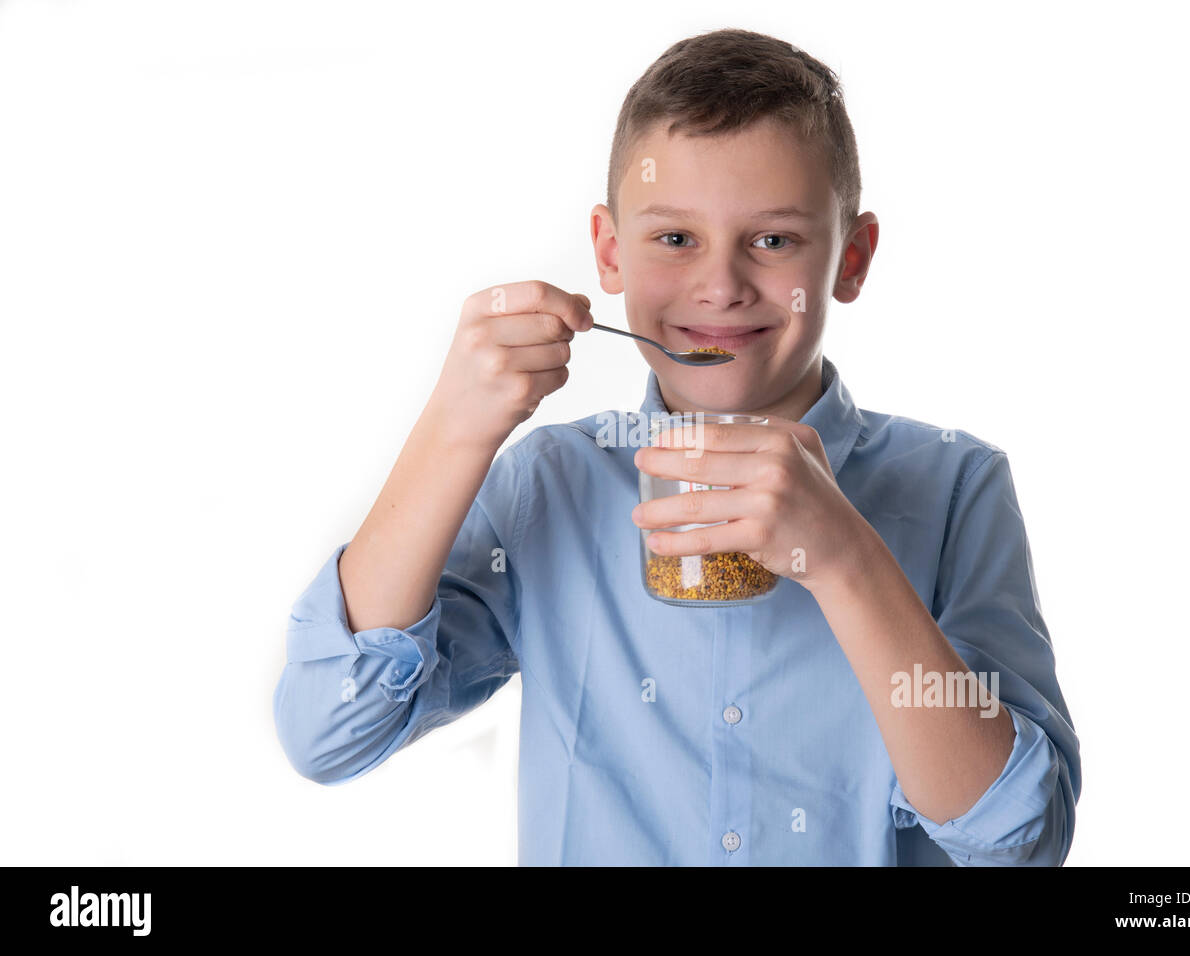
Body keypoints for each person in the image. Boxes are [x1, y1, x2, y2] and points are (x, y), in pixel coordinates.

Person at [272, 27, 1080, 866]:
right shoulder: (551, 485)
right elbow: (328, 729)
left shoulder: (954, 487)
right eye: (675, 238)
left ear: (853, 257)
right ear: (611, 252)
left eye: (773, 240)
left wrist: (848, 562)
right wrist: (452, 430)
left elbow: (1016, 838)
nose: (721, 285)